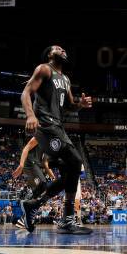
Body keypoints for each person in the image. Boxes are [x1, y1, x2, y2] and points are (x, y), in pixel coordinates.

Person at [13, 45, 92, 235]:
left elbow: (69, 106)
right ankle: (66, 219)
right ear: (49, 54)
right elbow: (25, 92)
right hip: (46, 125)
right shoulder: (44, 69)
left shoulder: (65, 79)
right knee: (76, 161)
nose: (62, 49)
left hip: (58, 126)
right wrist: (30, 115)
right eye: (57, 48)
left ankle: (34, 205)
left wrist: (79, 105)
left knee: (68, 176)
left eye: (64, 48)